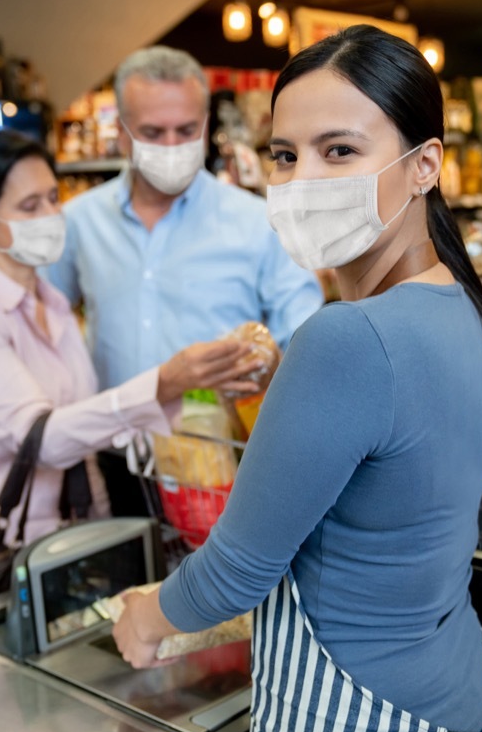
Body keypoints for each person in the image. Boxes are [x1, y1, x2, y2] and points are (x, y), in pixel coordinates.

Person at [112, 26, 482, 732]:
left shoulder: (346, 339)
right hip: (464, 709)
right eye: (285, 154)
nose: (304, 178)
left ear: (424, 165)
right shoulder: (461, 306)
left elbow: (237, 571)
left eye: (339, 150)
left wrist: (145, 619)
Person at [0, 127, 258, 628]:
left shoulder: (54, 304)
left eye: (52, 198)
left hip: (53, 557)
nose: (50, 216)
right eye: (28, 207)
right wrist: (163, 384)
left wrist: (198, 408)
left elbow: (87, 425)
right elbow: (40, 438)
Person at [42, 45, 324, 516]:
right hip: (117, 459)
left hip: (220, 466)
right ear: (122, 134)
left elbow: (307, 335)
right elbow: (43, 322)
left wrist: (268, 362)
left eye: (186, 130)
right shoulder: (78, 223)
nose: (172, 145)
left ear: (205, 124)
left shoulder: (258, 222)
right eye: (153, 132)